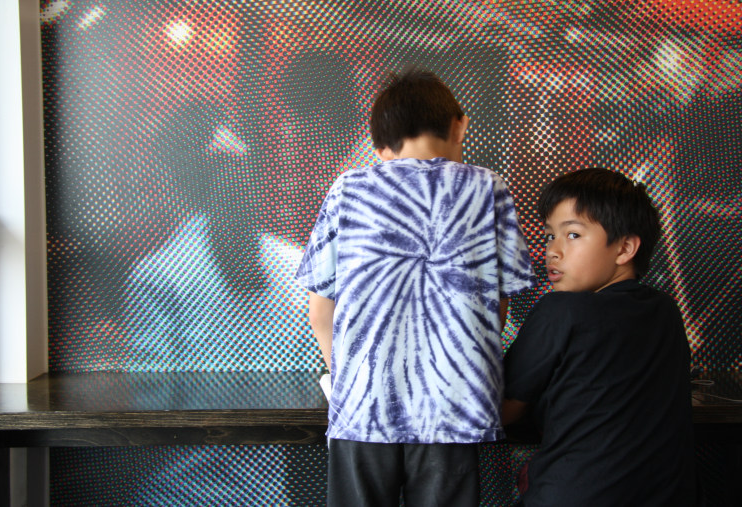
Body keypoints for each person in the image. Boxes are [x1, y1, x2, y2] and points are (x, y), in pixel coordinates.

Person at [295, 68, 536, 507]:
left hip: (364, 409)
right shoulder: (488, 188)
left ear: (380, 144)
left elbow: (320, 308)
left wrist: (349, 379)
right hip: (453, 404)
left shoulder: (348, 189)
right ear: (460, 123)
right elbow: (496, 309)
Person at [502, 168, 697, 506]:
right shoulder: (666, 310)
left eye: (573, 235)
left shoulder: (561, 310)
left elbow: (503, 410)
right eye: (550, 235)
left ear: (624, 248)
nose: (552, 251)